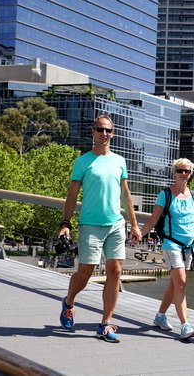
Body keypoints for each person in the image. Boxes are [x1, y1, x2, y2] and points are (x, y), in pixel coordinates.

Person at [59, 115, 141, 343]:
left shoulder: (119, 161)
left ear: (112, 134)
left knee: (115, 270)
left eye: (108, 130)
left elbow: (126, 195)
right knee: (85, 273)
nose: (104, 134)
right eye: (100, 129)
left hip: (116, 224)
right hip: (90, 225)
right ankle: (69, 302)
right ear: (92, 132)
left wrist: (134, 224)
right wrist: (64, 223)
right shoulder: (83, 162)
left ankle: (105, 323)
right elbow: (72, 195)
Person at [138, 158, 194, 340]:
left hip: (189, 245)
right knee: (181, 282)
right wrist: (139, 234)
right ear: (174, 173)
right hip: (170, 243)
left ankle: (160, 316)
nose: (184, 174)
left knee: (175, 283)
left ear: (191, 174)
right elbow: (152, 220)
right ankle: (185, 325)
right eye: (180, 171)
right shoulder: (165, 195)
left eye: (187, 171)